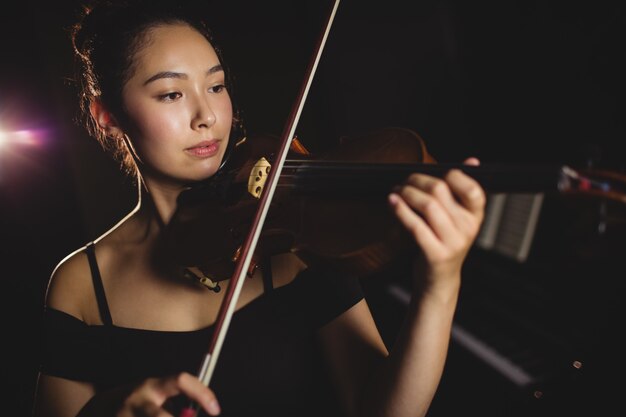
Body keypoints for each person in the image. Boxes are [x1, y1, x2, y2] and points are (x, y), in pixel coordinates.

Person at [32, 1, 486, 416]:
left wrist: (439, 285)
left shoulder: (291, 237)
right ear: (106, 116)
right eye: (171, 93)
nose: (206, 115)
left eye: (216, 85)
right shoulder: (80, 287)